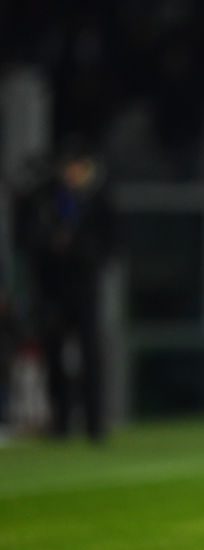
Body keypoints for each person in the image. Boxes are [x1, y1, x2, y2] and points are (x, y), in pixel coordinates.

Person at [15, 143, 115, 442]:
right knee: (54, 352)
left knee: (90, 354)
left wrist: (81, 251)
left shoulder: (98, 200)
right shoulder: (46, 198)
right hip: (52, 287)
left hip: (84, 285)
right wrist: (50, 246)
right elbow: (26, 238)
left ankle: (94, 423)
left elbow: (112, 243)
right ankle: (60, 422)